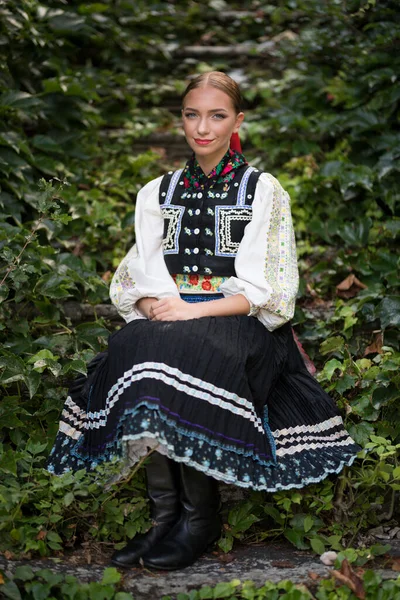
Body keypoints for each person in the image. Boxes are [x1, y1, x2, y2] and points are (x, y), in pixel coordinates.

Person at [47, 71, 360, 571]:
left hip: (238, 320)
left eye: (217, 116)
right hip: (173, 313)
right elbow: (138, 275)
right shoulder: (157, 191)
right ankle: (164, 517)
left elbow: (272, 294)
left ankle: (199, 518)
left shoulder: (261, 190)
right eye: (192, 115)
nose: (203, 128)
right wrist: (150, 306)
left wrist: (193, 310)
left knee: (183, 348)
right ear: (182, 121)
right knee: (138, 343)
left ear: (238, 120)